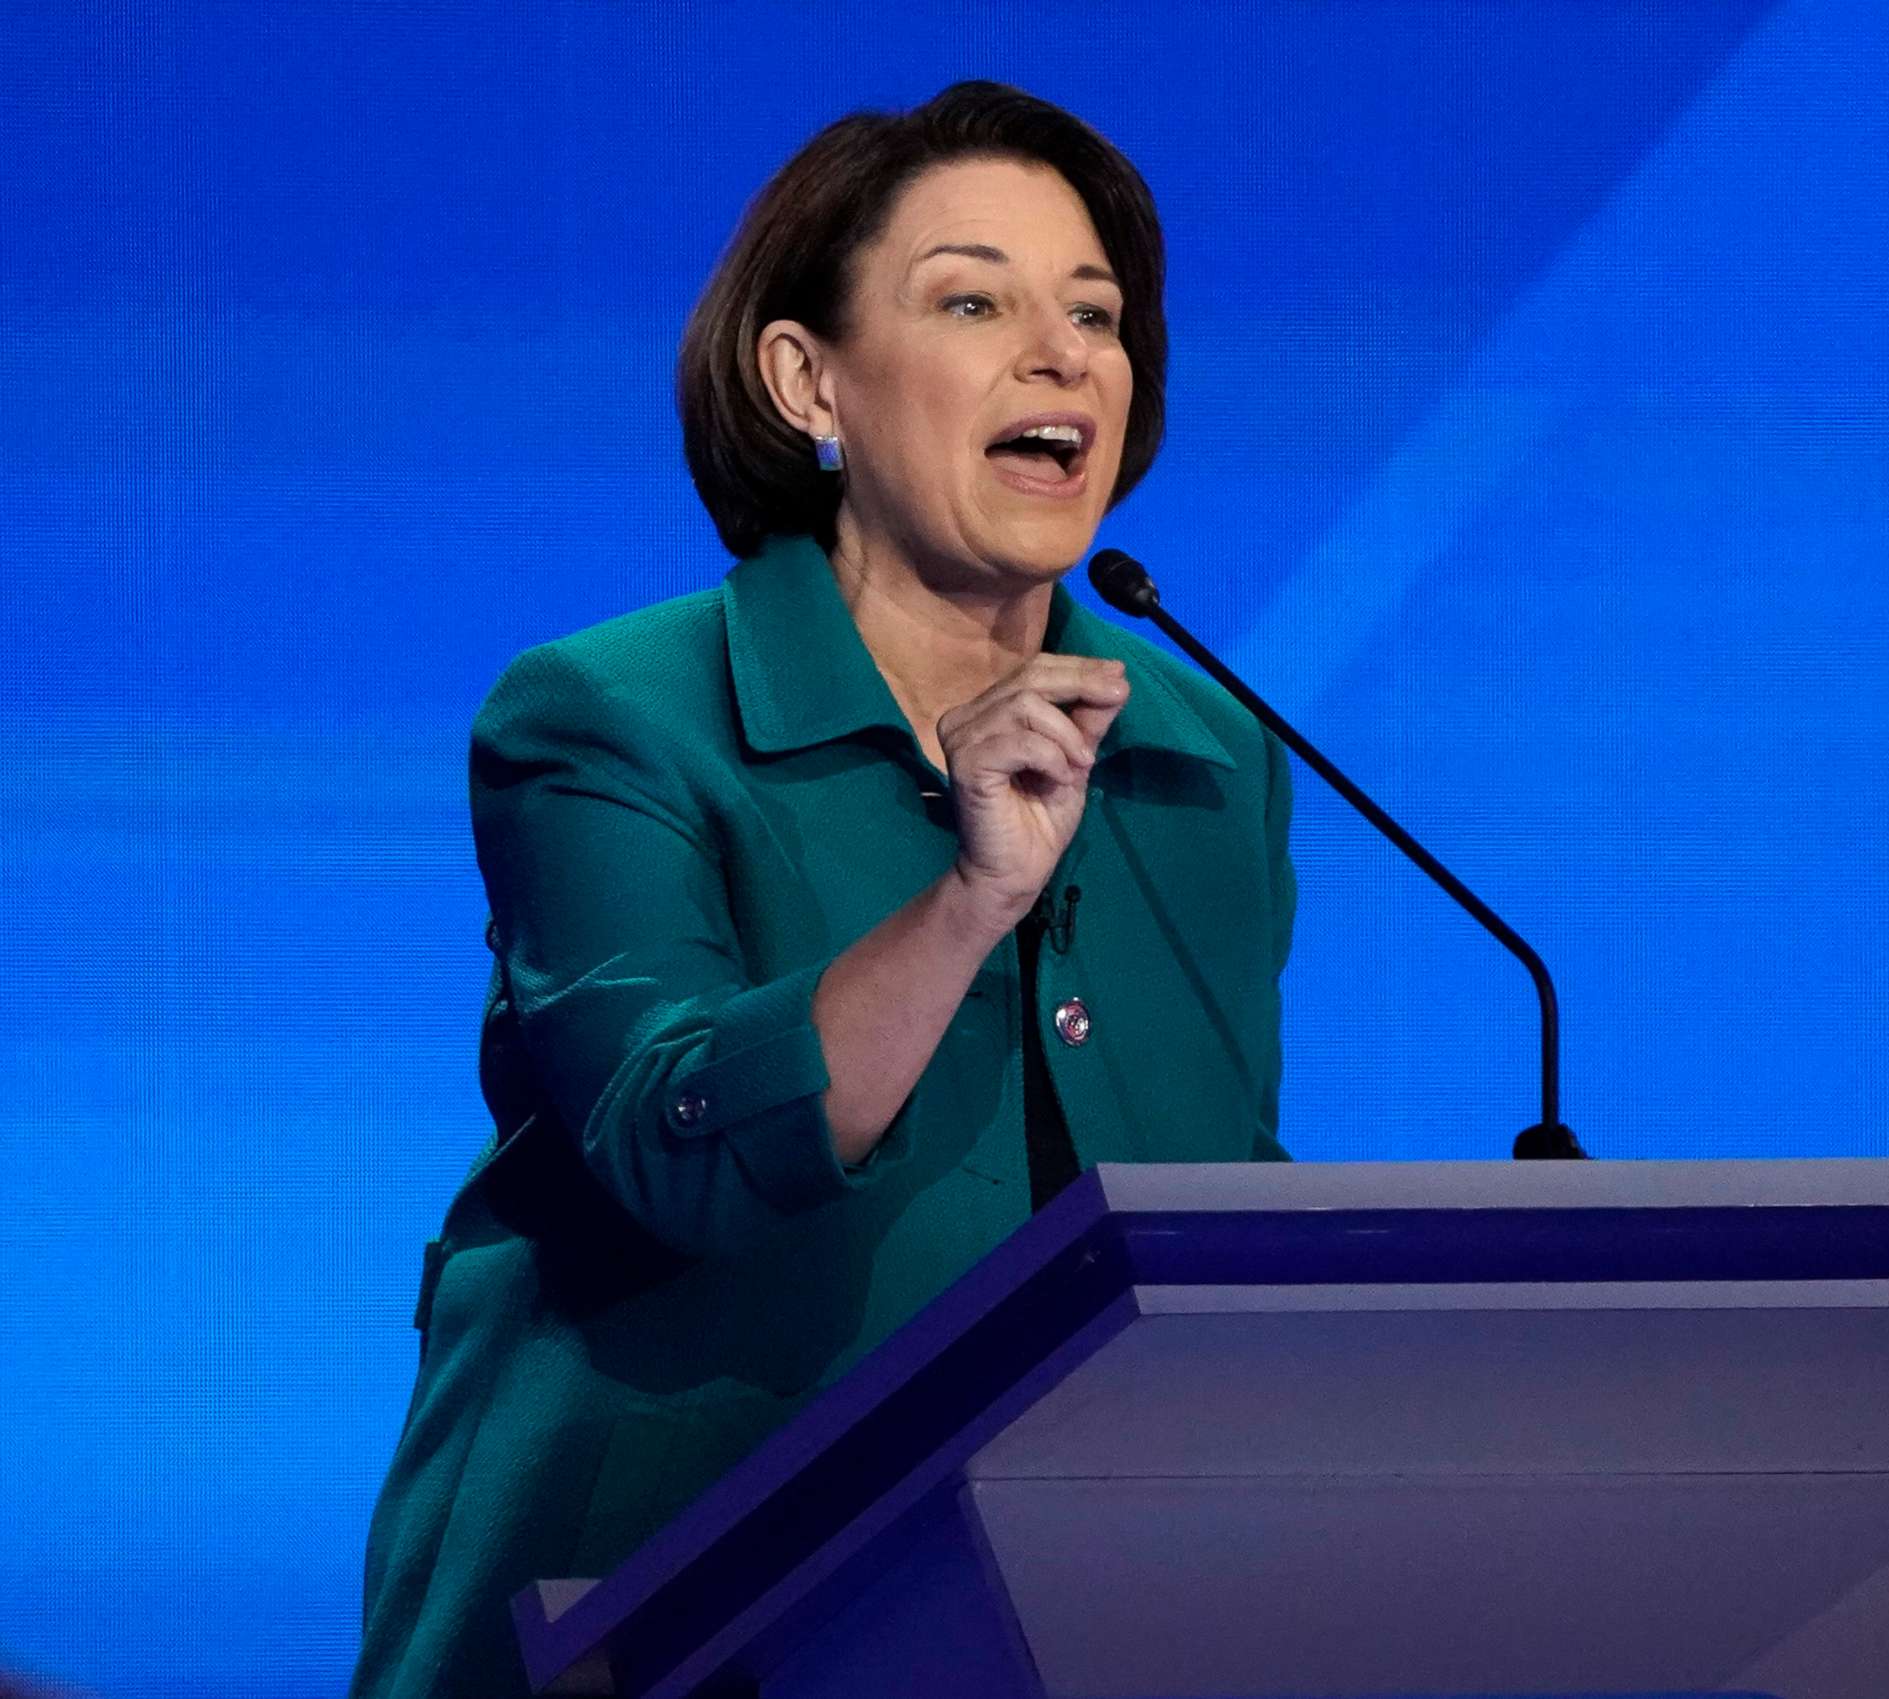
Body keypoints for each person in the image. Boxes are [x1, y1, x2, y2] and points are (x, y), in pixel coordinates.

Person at [350, 81, 1295, 1697]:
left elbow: (1200, 1190)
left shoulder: (1205, 753)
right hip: (637, 1618)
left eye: (1098, 313)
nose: (1064, 355)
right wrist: (967, 897)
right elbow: (672, 1150)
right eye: (975, 299)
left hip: (1060, 1630)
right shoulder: (610, 715)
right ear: (809, 381)